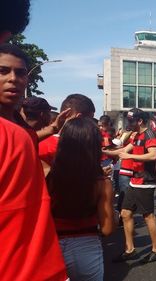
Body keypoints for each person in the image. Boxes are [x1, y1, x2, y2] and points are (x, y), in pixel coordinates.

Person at [0, 1, 67, 279]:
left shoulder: (18, 132)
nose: (13, 79)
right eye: (3, 71)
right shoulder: (13, 134)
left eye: (20, 73)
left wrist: (51, 130)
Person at [47, 117, 116, 280]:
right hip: (85, 245)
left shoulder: (45, 174)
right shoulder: (102, 184)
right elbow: (107, 229)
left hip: (50, 244)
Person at [109, 108, 156, 263]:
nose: (129, 123)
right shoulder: (137, 136)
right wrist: (99, 150)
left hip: (146, 181)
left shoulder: (149, 135)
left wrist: (130, 156)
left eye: (132, 121)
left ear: (140, 121)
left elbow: (153, 155)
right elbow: (122, 151)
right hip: (135, 180)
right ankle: (130, 249)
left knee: (148, 215)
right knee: (125, 213)